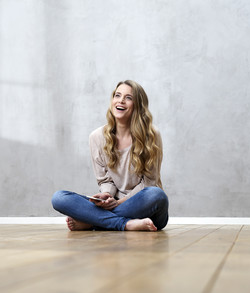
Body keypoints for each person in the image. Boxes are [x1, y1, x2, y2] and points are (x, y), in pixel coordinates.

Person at [51, 80, 169, 232]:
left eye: (128, 97)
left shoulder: (151, 135)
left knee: (156, 195)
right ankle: (126, 224)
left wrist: (119, 203)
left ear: (138, 105)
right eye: (117, 95)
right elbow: (105, 180)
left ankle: (93, 222)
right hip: (113, 203)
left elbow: (149, 183)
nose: (120, 100)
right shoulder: (97, 137)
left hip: (146, 207)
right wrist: (106, 195)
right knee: (59, 198)